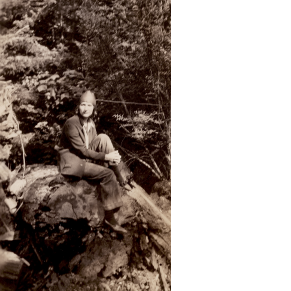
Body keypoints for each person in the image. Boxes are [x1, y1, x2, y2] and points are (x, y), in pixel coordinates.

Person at [55, 90, 127, 234]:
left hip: (83, 157)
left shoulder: (90, 123)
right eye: (83, 105)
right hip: (72, 161)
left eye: (89, 105)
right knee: (107, 174)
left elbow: (92, 145)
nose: (86, 108)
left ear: (93, 108)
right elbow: (83, 151)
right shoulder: (71, 123)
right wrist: (106, 157)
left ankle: (119, 174)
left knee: (104, 137)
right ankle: (109, 217)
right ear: (78, 107)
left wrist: (108, 156)